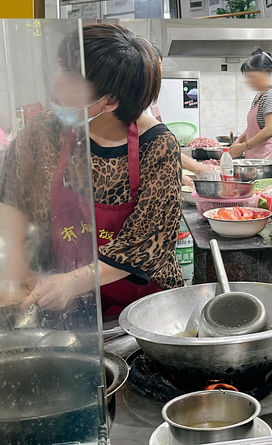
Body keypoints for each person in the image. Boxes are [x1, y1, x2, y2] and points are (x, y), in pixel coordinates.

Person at [1, 23, 183, 317]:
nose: (57, 84)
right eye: (61, 68)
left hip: (140, 309)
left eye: (73, 79)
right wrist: (17, 261)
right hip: (66, 306)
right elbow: (12, 194)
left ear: (110, 100)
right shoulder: (45, 129)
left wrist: (73, 282)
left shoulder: (158, 146)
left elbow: (146, 242)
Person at [148, 44, 217, 185]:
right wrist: (198, 169)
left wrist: (183, 178)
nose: (160, 73)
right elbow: (159, 144)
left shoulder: (147, 101)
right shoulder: (135, 104)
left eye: (160, 66)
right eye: (157, 66)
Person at [230, 49, 272, 163]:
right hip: (258, 157)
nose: (250, 82)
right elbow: (252, 128)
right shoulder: (260, 95)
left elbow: (270, 129)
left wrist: (243, 146)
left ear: (264, 73)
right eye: (248, 78)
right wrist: (237, 142)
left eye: (253, 77)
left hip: (271, 157)